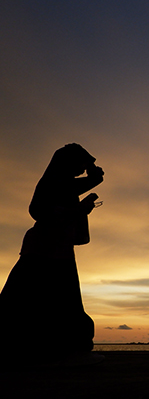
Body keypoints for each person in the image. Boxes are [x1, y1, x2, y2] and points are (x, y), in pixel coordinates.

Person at [0, 143, 104, 366]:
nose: (82, 168)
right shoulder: (53, 183)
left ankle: (53, 349)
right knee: (45, 300)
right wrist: (79, 209)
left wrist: (93, 171)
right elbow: (39, 210)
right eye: (80, 164)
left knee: (40, 300)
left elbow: (90, 181)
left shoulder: (64, 184)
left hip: (56, 248)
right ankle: (68, 350)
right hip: (45, 248)